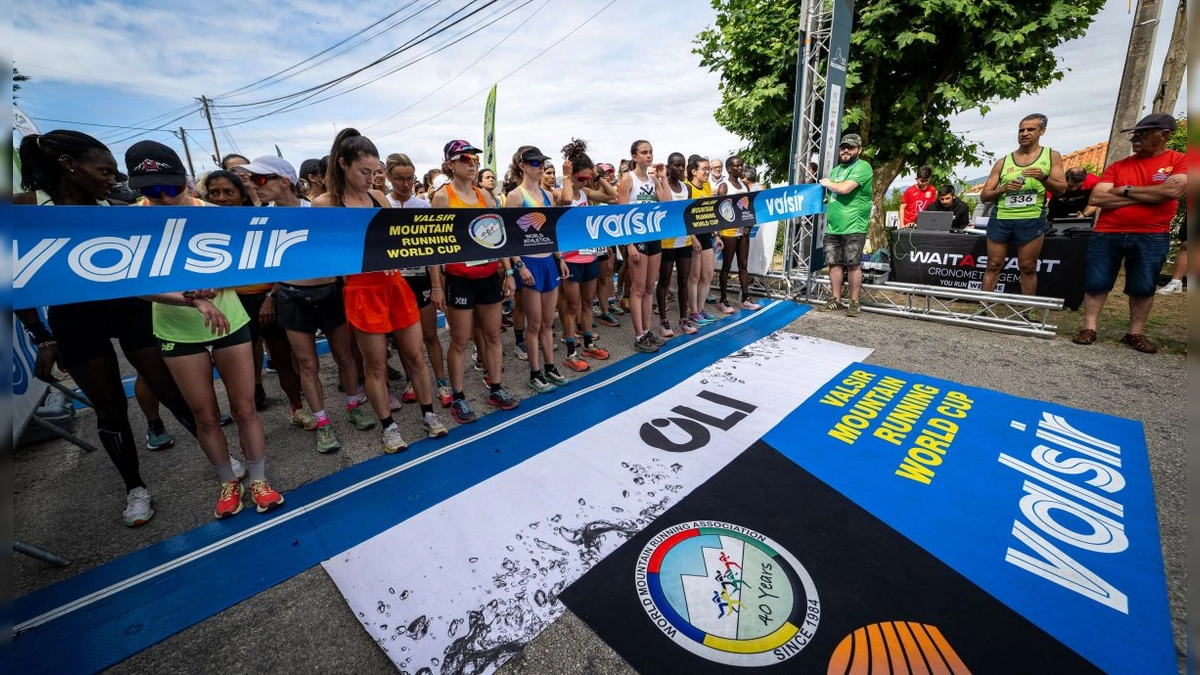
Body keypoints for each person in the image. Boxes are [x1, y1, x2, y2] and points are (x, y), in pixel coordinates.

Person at [15, 130, 208, 527]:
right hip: (73, 318)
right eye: (104, 170)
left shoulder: (120, 207)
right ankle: (134, 488)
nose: (112, 178)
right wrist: (41, 335)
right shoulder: (24, 208)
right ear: (69, 165)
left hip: (131, 307)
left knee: (168, 387)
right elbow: (13, 279)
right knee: (110, 409)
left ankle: (217, 455)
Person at [128, 140, 283, 519]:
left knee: (245, 409)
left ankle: (259, 481)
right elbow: (133, 283)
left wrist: (222, 281)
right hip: (177, 329)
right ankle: (228, 481)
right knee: (206, 416)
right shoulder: (131, 220)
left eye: (170, 188)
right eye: (150, 191)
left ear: (185, 180)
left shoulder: (216, 214)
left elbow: (248, 263)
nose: (162, 198)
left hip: (230, 322)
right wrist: (192, 298)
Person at [315, 130, 449, 452]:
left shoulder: (378, 198)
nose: (371, 179)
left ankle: (428, 414)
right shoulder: (325, 204)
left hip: (394, 284)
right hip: (361, 289)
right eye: (364, 172)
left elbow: (395, 240)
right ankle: (388, 427)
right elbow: (323, 254)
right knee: (374, 366)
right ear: (343, 164)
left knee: (415, 355)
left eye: (375, 173)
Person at [1072, 113, 1185, 353]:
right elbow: (1098, 197)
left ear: (1164, 135)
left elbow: (1171, 192)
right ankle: (1089, 328)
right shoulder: (1118, 166)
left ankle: (1135, 332)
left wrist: (1126, 190)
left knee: (1143, 285)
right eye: (1135, 134)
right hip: (1108, 231)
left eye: (1143, 134)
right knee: (1097, 281)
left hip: (1151, 234)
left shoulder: (1180, 160)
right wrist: (1148, 196)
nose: (1135, 139)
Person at [429, 140, 520, 422]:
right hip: (459, 278)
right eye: (465, 158)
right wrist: (436, 286)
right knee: (460, 340)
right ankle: (458, 398)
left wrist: (507, 272)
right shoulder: (442, 197)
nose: (472, 163)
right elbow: (434, 245)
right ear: (450, 164)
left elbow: (498, 238)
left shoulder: (485, 196)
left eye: (474, 159)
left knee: (493, 336)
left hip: (488, 275)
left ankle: (496, 388)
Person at [222, 160, 310, 422]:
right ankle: (247, 415)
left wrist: (271, 296)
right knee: (242, 366)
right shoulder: (210, 221)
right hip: (232, 301)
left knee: (283, 358)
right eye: (214, 193)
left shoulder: (262, 216)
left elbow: (280, 260)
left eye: (229, 191)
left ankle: (297, 406)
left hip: (268, 297)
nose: (222, 198)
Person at [385, 153, 452, 407]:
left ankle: (441, 380)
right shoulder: (383, 206)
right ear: (389, 178)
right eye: (399, 179)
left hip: (421, 278)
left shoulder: (423, 206)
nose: (405, 183)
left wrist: (437, 286)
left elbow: (433, 250)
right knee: (404, 338)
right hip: (396, 283)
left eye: (410, 178)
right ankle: (413, 379)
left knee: (429, 334)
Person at [506, 146, 571, 393]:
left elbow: (551, 231)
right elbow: (508, 237)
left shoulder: (547, 195)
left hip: (547, 263)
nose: (540, 166)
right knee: (533, 324)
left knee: (547, 322)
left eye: (542, 162)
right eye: (534, 162)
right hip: (529, 263)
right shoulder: (515, 196)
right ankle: (535, 373)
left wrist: (560, 259)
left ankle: (550, 367)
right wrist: (518, 266)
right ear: (522, 165)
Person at [979, 113, 1066, 296]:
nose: (1024, 133)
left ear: (1042, 131)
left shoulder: (1051, 156)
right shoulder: (1003, 162)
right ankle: (983, 307)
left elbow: (1061, 190)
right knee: (993, 264)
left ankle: (1027, 310)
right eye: (1021, 130)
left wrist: (1043, 178)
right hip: (1002, 218)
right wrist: (1003, 189)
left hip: (1031, 218)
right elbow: (985, 196)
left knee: (1027, 266)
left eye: (1030, 129)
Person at [558, 139, 612, 370]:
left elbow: (614, 197)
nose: (585, 182)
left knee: (588, 302)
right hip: (570, 258)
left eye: (587, 178)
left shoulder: (587, 191)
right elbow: (567, 200)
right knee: (572, 306)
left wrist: (597, 177)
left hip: (588, 256)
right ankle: (571, 352)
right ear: (571, 176)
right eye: (581, 178)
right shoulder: (562, 191)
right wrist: (567, 177)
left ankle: (588, 343)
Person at [617, 140, 671, 353]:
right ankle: (639, 336)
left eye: (650, 152)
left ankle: (648, 331)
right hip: (636, 239)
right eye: (644, 152)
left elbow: (667, 204)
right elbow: (621, 215)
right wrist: (628, 244)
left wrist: (662, 178)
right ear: (634, 156)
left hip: (653, 237)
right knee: (637, 290)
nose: (648, 156)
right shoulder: (626, 179)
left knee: (650, 287)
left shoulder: (651, 179)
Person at [817, 133, 873, 317]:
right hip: (833, 226)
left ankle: (854, 302)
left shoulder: (863, 167)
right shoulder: (836, 170)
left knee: (853, 265)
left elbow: (844, 188)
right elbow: (834, 193)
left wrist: (827, 183)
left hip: (854, 225)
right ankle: (836, 300)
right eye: (843, 147)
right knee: (833, 264)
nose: (846, 150)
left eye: (850, 147)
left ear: (859, 150)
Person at [660, 152, 699, 336]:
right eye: (676, 165)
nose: (681, 168)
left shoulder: (687, 188)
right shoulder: (661, 186)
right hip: (666, 242)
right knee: (664, 281)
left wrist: (694, 237)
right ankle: (663, 320)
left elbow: (688, 216)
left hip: (684, 240)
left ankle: (683, 319)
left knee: (683, 280)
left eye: (682, 165)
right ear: (668, 167)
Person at [716, 155, 761, 313]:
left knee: (743, 265)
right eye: (737, 166)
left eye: (741, 165)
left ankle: (745, 298)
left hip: (743, 231)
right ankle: (723, 299)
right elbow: (719, 211)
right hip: (729, 232)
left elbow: (748, 207)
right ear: (729, 168)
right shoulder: (724, 186)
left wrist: (749, 224)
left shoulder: (744, 185)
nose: (741, 168)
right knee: (726, 266)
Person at [685, 154, 720, 328]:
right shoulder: (687, 188)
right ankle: (693, 311)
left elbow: (710, 213)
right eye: (704, 169)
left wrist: (716, 234)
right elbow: (684, 216)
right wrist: (692, 237)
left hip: (707, 234)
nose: (707, 172)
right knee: (695, 276)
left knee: (708, 274)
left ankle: (701, 308)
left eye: (708, 168)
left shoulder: (707, 186)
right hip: (693, 237)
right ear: (693, 171)